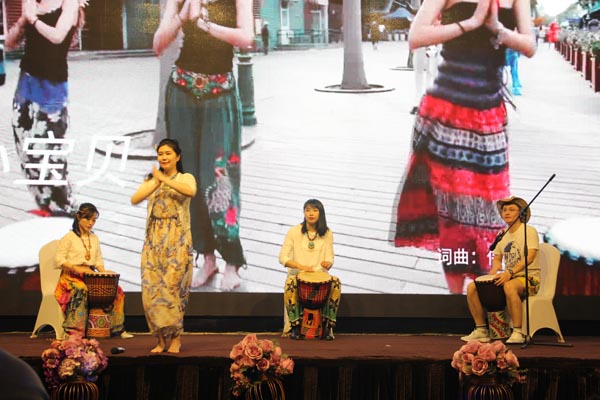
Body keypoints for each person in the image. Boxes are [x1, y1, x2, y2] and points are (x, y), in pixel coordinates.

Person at [392, 0, 536, 294]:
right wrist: (469, 24)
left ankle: (482, 290)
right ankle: (455, 298)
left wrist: (497, 28)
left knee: (493, 210)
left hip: (488, 115)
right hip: (447, 113)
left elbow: (530, 46)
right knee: (453, 214)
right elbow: (416, 36)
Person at [152, 0, 254, 292]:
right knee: (190, 180)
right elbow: (158, 44)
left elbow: (246, 38)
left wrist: (205, 25)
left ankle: (232, 260)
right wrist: (183, 15)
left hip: (220, 94)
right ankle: (207, 259)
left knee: (221, 178)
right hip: (181, 93)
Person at [5, 0, 87, 217]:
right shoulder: (31, 4)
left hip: (53, 86)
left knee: (51, 146)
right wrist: (23, 20)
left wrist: (33, 19)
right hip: (27, 83)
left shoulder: (69, 4)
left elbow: (57, 36)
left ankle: (65, 202)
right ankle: (44, 202)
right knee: (25, 144)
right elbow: (10, 43)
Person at [131, 138, 197, 353]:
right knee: (151, 290)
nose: (164, 157)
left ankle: (176, 337)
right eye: (160, 154)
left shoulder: (186, 177)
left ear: (177, 156)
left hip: (177, 239)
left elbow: (190, 191)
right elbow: (135, 199)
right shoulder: (153, 179)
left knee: (172, 289)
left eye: (168, 153)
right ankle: (160, 340)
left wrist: (165, 179)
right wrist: (156, 181)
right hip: (153, 240)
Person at [462, 196, 540, 344]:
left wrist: (509, 273)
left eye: (512, 209)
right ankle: (481, 330)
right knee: (473, 287)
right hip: (509, 276)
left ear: (521, 213)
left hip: (530, 278)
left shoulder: (528, 231)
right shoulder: (502, 234)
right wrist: (491, 276)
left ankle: (518, 332)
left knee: (510, 286)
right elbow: (497, 260)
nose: (507, 212)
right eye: (504, 210)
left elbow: (529, 257)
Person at [55, 203, 132, 338]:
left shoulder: (94, 238)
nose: (91, 223)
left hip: (90, 276)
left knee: (116, 290)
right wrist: (75, 268)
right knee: (81, 289)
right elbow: (59, 259)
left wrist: (103, 272)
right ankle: (74, 331)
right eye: (88, 219)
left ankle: (116, 329)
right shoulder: (69, 238)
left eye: (94, 220)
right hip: (71, 277)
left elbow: (98, 261)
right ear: (79, 217)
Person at [279, 199, 341, 340]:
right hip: (298, 275)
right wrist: (300, 266)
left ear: (321, 213)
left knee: (336, 283)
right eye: (307, 210)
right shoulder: (294, 232)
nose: (311, 213)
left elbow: (330, 257)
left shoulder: (327, 233)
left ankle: (327, 326)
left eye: (314, 210)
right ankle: (294, 327)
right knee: (290, 283)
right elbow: (282, 257)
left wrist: (328, 263)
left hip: (319, 277)